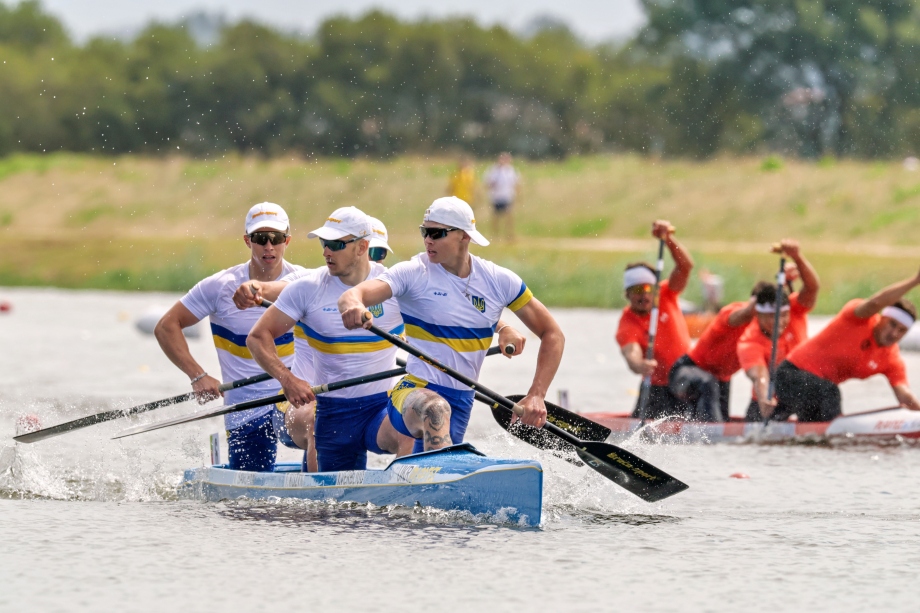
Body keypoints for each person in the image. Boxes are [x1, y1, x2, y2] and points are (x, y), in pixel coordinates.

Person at [338, 197, 564, 452]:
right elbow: (355, 294)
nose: (428, 240)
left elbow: (552, 334)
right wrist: (354, 304)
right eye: (425, 232)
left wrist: (536, 394)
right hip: (416, 391)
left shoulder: (499, 281)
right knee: (436, 410)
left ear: (464, 237)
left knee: (426, 457)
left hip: (462, 400)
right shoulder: (413, 272)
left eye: (437, 233)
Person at [245, 207, 415, 471]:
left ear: (362, 248)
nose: (326, 251)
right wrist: (287, 380)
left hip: (376, 408)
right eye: (325, 243)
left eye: (335, 244)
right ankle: (315, 496)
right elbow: (257, 337)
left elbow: (447, 309)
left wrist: (501, 326)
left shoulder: (395, 285)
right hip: (319, 405)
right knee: (315, 427)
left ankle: (408, 497)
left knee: (411, 425)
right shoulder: (308, 288)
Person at [154, 202, 303, 471]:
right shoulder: (219, 287)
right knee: (247, 509)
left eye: (277, 239)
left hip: (291, 398)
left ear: (287, 241)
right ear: (248, 241)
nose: (269, 247)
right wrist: (198, 376)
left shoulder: (305, 283)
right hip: (244, 409)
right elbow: (166, 326)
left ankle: (320, 494)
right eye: (260, 239)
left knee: (319, 425)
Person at [772, 269, 920, 422]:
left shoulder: (892, 359)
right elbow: (875, 302)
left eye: (902, 330)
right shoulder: (858, 317)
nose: (894, 334)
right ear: (882, 317)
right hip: (789, 376)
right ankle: (836, 438)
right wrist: (915, 280)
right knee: (830, 393)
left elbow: (905, 396)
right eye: (892, 324)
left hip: (814, 391)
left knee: (812, 422)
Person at [616, 220, 694, 420]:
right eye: (636, 291)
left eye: (648, 289)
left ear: (656, 289)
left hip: (684, 380)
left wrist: (668, 239)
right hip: (656, 387)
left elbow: (685, 266)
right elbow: (630, 352)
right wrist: (638, 364)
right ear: (627, 294)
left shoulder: (666, 294)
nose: (643, 296)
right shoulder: (628, 321)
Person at [737, 240, 820, 421]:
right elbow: (760, 375)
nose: (779, 323)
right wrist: (764, 397)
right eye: (771, 317)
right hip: (767, 401)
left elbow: (812, 288)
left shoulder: (796, 310)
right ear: (757, 315)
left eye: (783, 316)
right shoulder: (749, 341)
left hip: (799, 394)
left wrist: (797, 257)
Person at [668, 298, 756, 422]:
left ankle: (706, 427)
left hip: (721, 381)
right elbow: (745, 313)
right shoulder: (732, 312)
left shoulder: (765, 331)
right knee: (708, 383)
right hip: (687, 371)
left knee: (721, 422)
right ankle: (708, 431)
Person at [484, 153, 520, 241]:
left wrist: (516, 195)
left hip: (507, 196)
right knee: (496, 217)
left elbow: (516, 183)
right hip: (496, 197)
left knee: (509, 216)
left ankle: (509, 235)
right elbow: (487, 183)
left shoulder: (511, 170)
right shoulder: (493, 170)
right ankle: (495, 235)